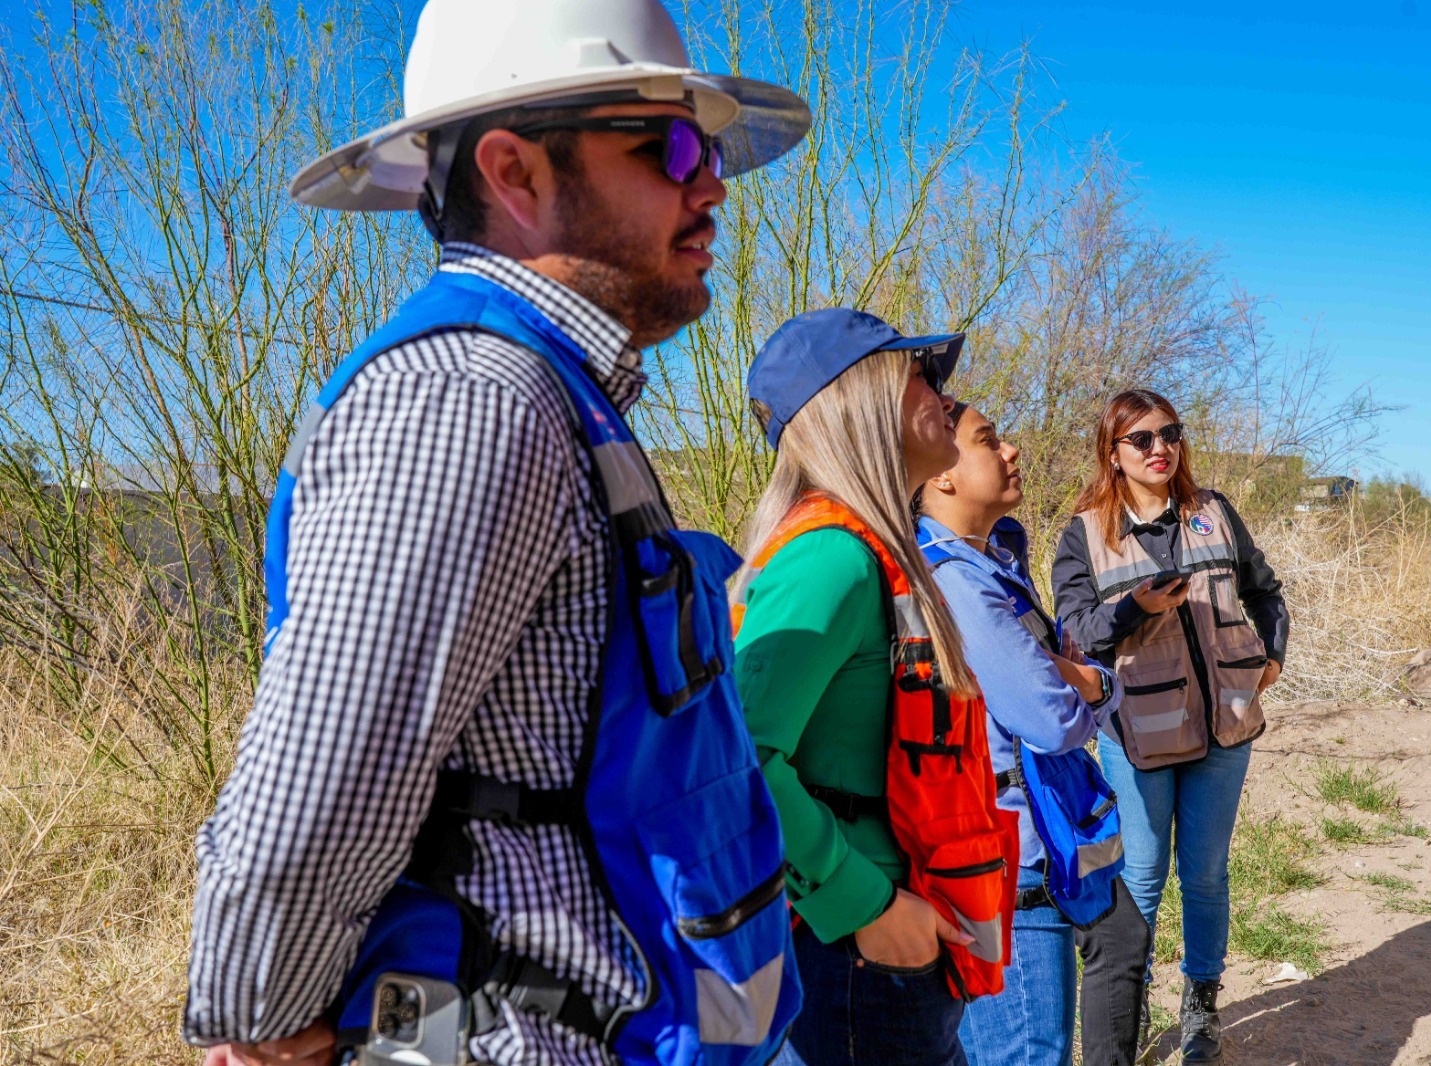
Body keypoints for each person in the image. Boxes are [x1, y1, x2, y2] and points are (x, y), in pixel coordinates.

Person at [182, 1, 812, 1063]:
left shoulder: (555, 394)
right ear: (514, 172)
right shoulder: (470, 396)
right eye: (668, 145)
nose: (711, 184)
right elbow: (323, 783)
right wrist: (265, 1020)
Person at [731, 309, 1018, 1066]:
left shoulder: (877, 550)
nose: (942, 392)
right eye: (918, 373)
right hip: (859, 953)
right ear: (855, 399)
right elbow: (739, 760)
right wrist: (871, 907)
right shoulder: (831, 557)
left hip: (890, 950)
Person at [1051, 389, 1289, 1065]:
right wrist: (1134, 607)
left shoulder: (1213, 511)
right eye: (1143, 439)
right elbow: (1077, 640)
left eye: (1171, 434)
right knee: (1144, 878)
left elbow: (1265, 589)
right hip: (1139, 737)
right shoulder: (1083, 536)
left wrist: (1271, 655)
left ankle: (1201, 1009)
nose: (1162, 449)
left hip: (1226, 726)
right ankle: (1127, 1015)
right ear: (1113, 452)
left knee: (1207, 874)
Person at [915, 402, 1151, 1066]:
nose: (1013, 449)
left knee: (1123, 941)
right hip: (1013, 870)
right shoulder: (958, 584)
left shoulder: (993, 562)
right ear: (943, 478)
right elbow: (1049, 719)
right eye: (989, 441)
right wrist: (1098, 685)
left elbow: (1056, 687)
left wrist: (1081, 679)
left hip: (1058, 838)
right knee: (1026, 1053)